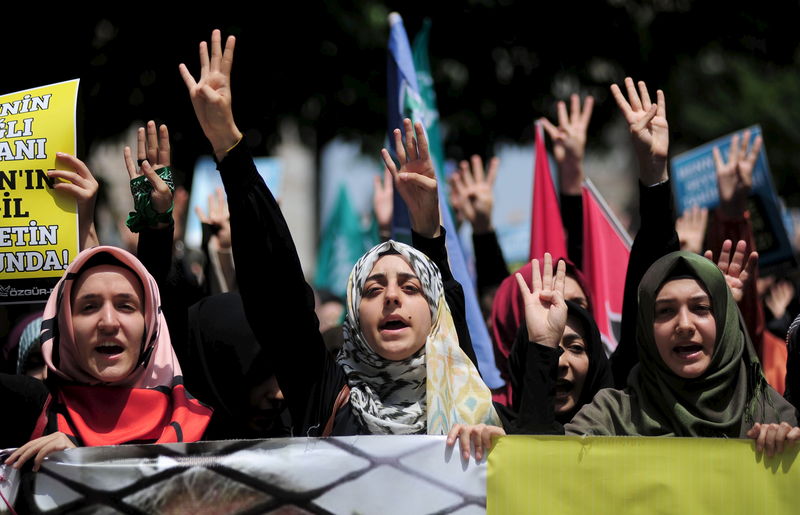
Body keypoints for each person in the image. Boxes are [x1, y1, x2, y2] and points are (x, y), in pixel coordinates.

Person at [179, 31, 502, 458]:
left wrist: (502, 452)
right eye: (372, 290)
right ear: (354, 316)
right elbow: (279, 293)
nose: (391, 298)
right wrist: (229, 149)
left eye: (410, 288)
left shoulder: (467, 392)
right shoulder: (324, 393)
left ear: (435, 314)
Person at [565, 250, 800, 456]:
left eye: (701, 308)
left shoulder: (770, 414)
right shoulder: (611, 416)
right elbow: (551, 469)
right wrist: (539, 345)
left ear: (723, 321)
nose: (685, 325)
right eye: (665, 311)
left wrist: (786, 449)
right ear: (647, 328)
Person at [2, 246, 211, 471]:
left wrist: (87, 458)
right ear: (65, 324)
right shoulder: (31, 412)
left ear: (150, 323)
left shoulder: (203, 425)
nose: (109, 322)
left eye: (126, 306)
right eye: (89, 307)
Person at [506, 255, 612, 432]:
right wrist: (542, 344)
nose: (560, 362)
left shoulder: (624, 425)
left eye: (576, 348)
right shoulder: (494, 432)